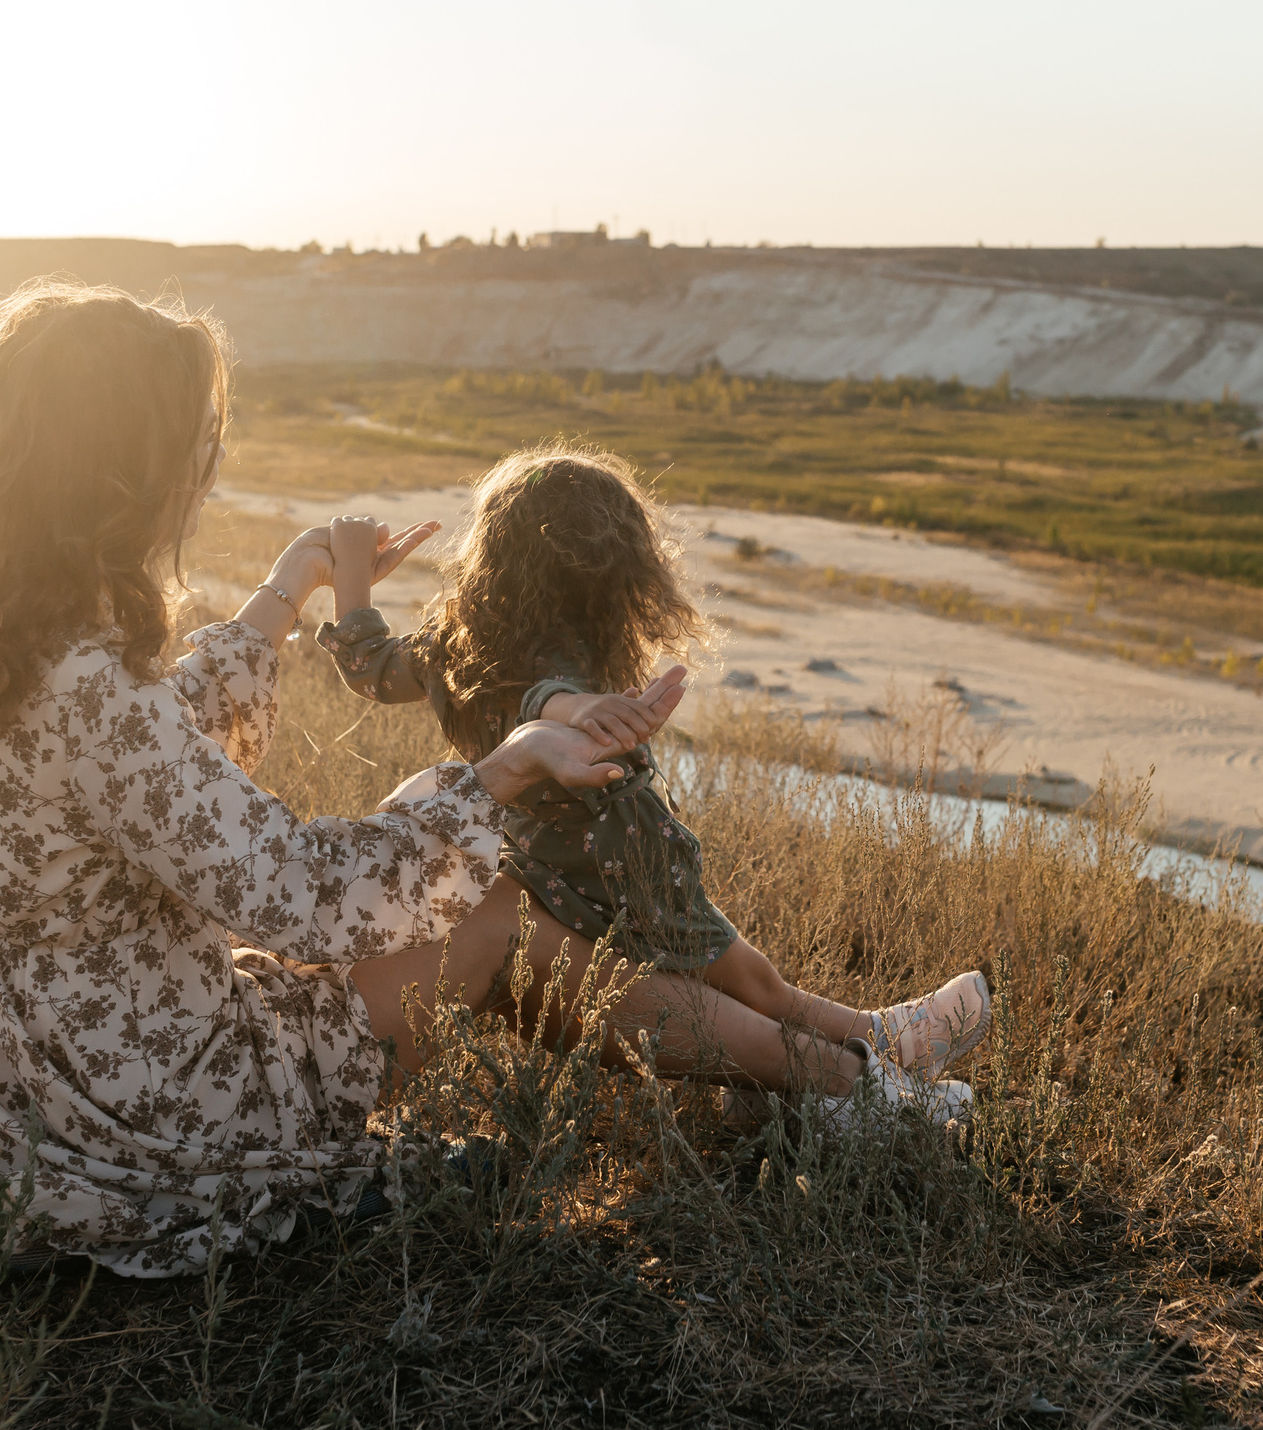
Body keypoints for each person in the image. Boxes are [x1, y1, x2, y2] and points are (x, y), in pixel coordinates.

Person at [0, 282, 979, 1279]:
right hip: (155, 1094)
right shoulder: (83, 687)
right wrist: (504, 771)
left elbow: (161, 756)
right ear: (117, 480)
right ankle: (844, 1082)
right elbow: (294, 893)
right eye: (195, 454)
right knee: (497, 913)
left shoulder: (0, 648)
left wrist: (291, 588)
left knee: (421, 832)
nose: (204, 475)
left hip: (48, 1056)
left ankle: (844, 1063)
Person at [317, 444, 991, 1092]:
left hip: (539, 871)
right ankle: (888, 1041)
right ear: (611, 571)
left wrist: (352, 572)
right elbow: (546, 695)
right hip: (631, 870)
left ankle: (844, 1067)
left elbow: (370, 667)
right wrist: (581, 710)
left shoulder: (448, 647)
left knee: (702, 997)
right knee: (755, 984)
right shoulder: (559, 650)